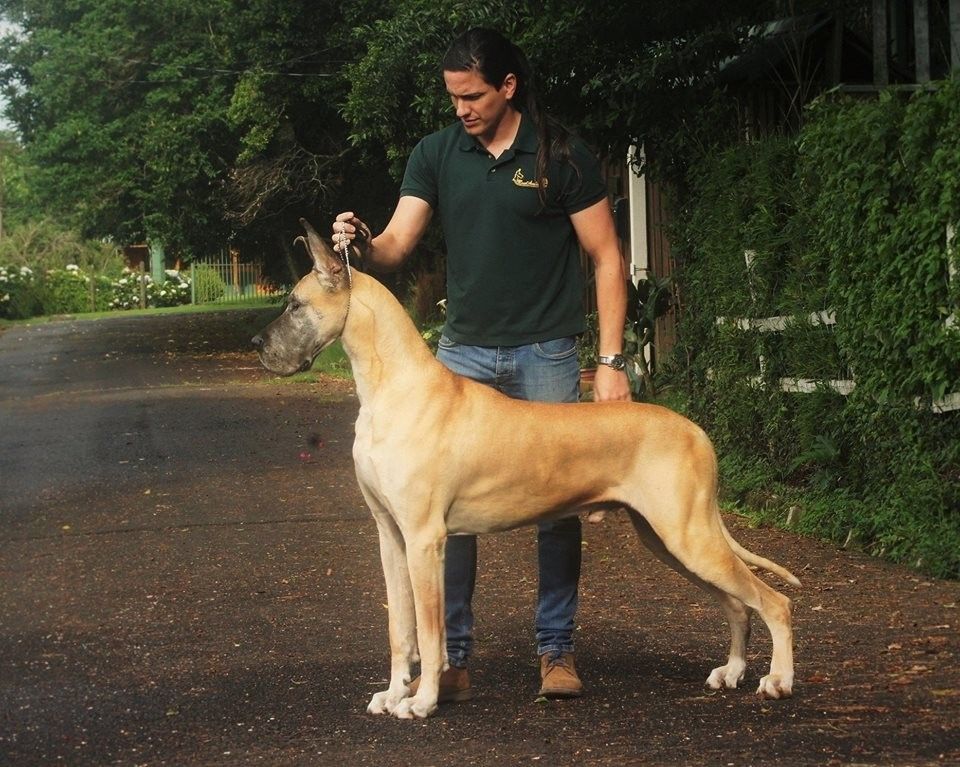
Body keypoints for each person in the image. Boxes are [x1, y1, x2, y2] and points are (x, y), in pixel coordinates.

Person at [331, 27, 630, 702]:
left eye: (472, 96)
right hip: (461, 354)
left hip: (546, 350)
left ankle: (556, 650)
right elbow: (396, 246)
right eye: (453, 98)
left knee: (560, 505)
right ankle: (452, 659)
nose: (461, 109)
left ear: (508, 87)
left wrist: (610, 361)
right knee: (437, 512)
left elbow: (607, 256)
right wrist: (362, 241)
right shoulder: (436, 153)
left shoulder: (559, 153)